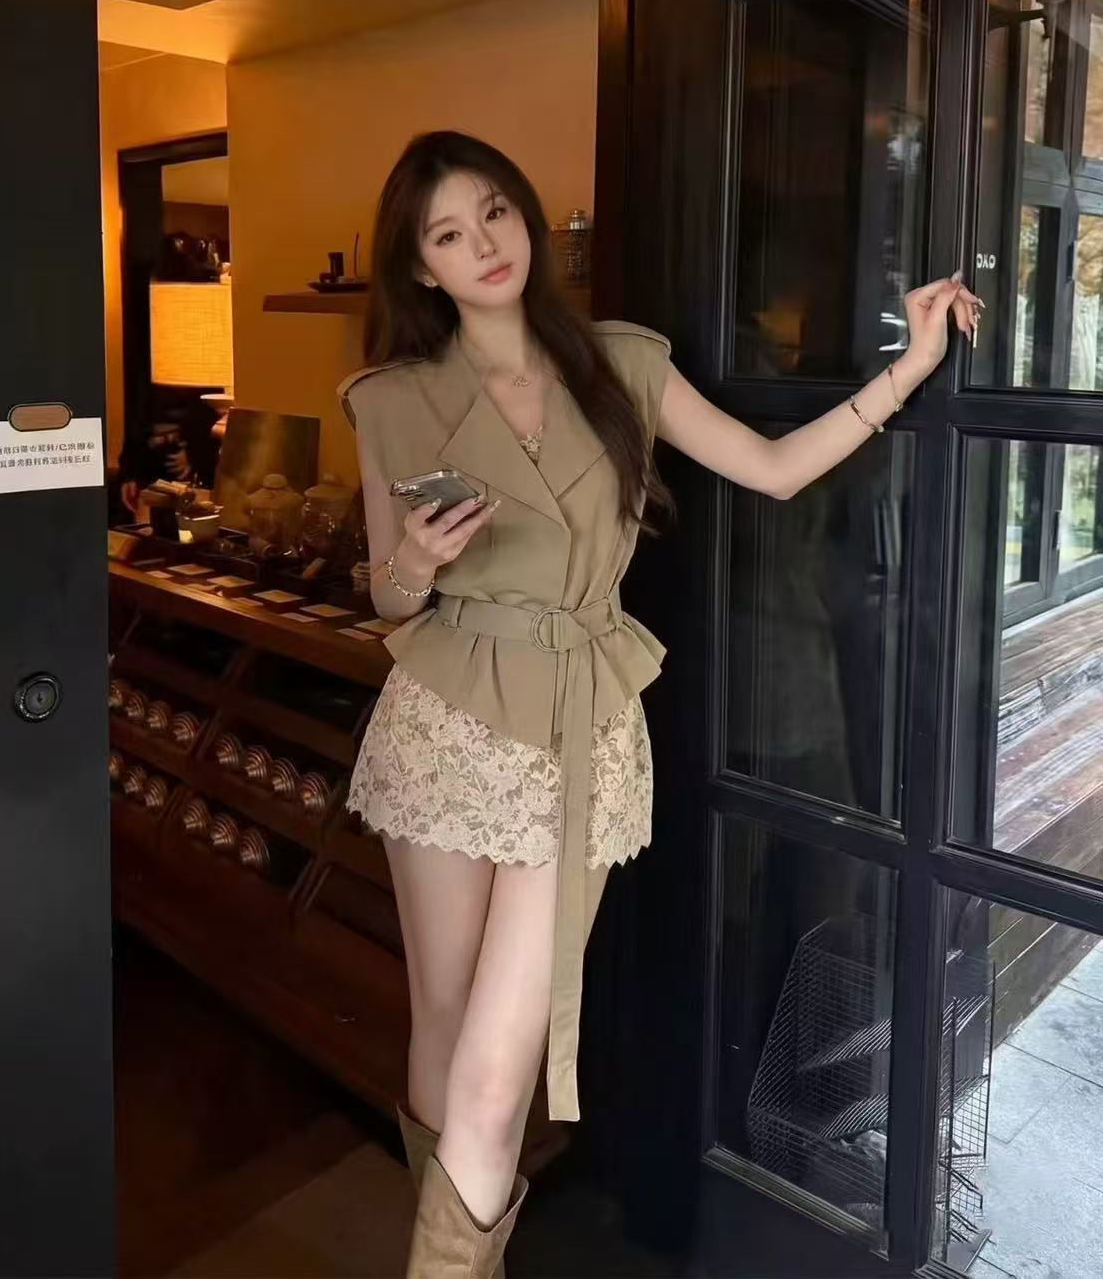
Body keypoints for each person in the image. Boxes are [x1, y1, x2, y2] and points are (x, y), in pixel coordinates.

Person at [337, 130, 980, 1277]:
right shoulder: (390, 399)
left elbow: (772, 469)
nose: (482, 243)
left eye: (494, 212)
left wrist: (907, 368)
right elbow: (386, 593)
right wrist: (417, 564)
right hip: (443, 718)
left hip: (575, 724)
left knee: (493, 1077)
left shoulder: (618, 363)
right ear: (419, 266)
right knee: (440, 1025)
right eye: (447, 233)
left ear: (523, 215)